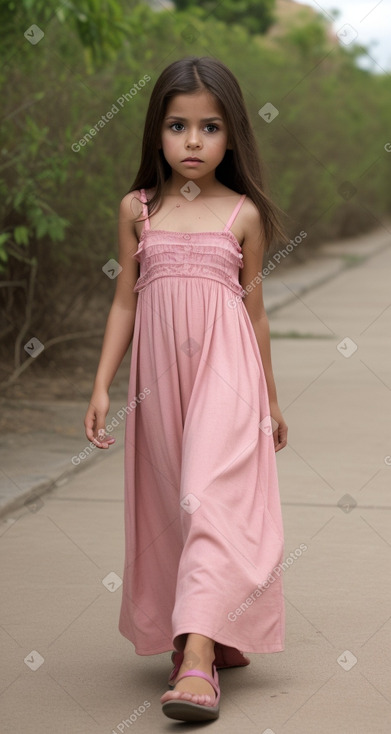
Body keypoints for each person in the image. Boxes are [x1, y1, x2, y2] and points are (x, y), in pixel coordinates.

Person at [84, 55, 288, 723]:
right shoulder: (137, 210)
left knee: (207, 499)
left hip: (227, 379)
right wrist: (99, 386)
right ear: (156, 132)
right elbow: (123, 303)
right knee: (170, 504)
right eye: (177, 126)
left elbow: (253, 313)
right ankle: (204, 629)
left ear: (232, 137)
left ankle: (197, 662)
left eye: (210, 127)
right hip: (157, 383)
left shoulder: (244, 215)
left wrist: (271, 399)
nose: (193, 142)